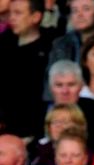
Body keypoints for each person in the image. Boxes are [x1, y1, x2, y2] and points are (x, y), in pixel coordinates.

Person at [0, 0, 51, 138]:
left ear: (36, 17)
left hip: (36, 129)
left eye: (18, 13)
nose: (12, 17)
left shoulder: (50, 47)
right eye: (10, 12)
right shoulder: (4, 44)